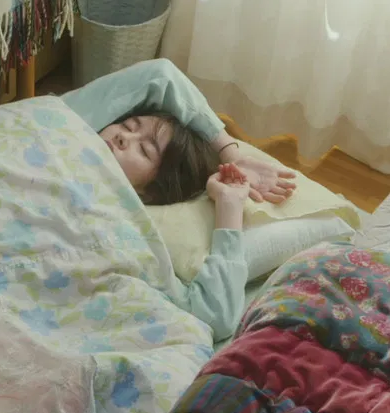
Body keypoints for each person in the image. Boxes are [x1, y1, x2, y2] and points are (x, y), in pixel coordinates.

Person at [61, 58, 298, 341]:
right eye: (126, 125)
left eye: (144, 150)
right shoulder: (64, 126)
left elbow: (215, 315)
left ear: (147, 193)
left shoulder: (122, 229)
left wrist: (230, 207)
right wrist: (232, 155)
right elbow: (160, 75)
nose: (123, 137)